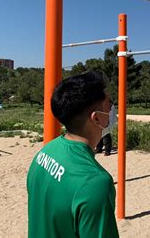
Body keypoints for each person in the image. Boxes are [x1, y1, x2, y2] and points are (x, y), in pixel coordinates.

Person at [27, 71, 119, 238]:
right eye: (109, 104)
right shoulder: (95, 182)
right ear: (96, 118)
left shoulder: (46, 152)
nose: (113, 109)